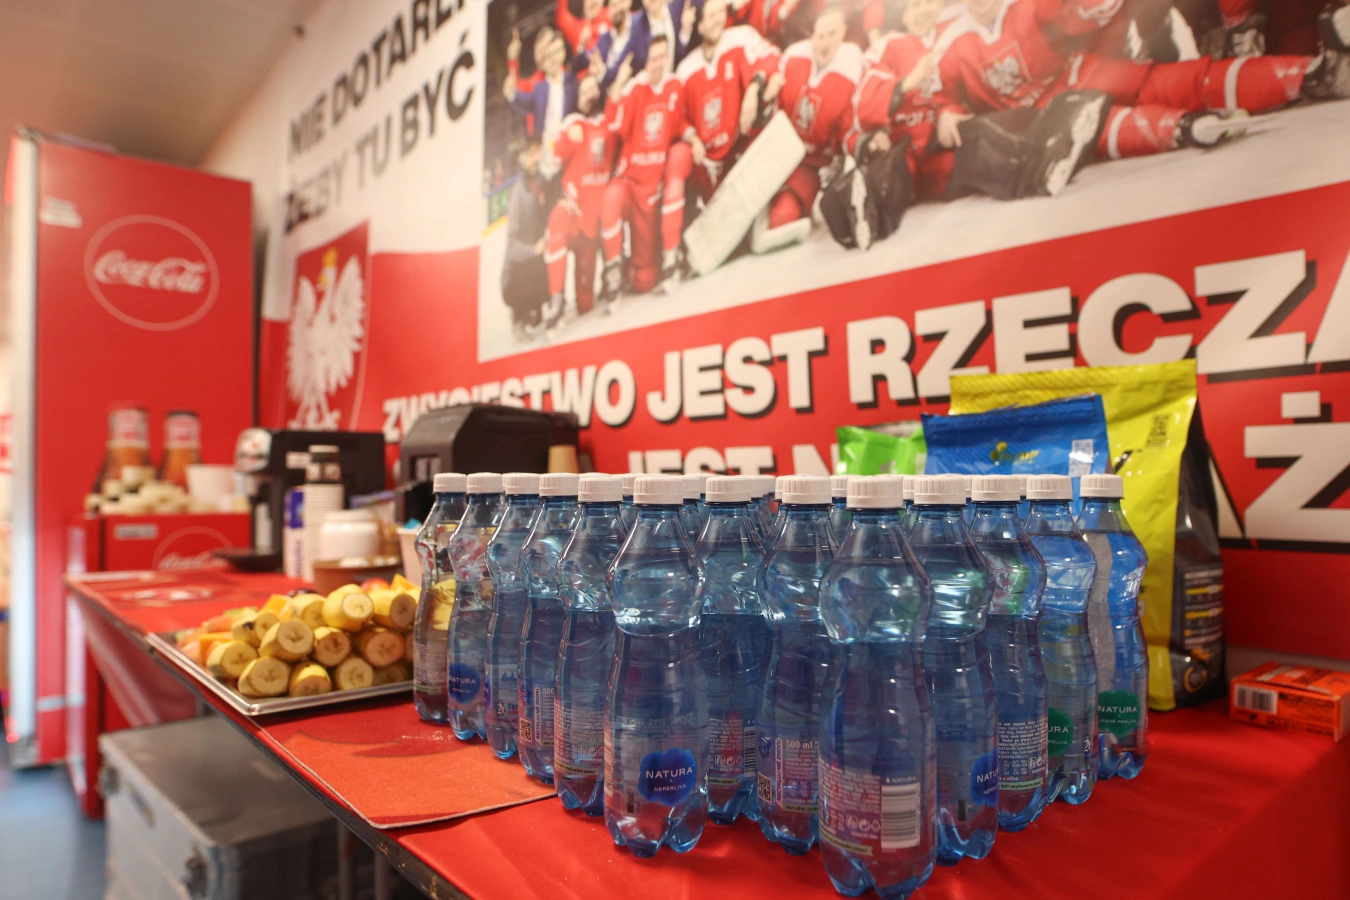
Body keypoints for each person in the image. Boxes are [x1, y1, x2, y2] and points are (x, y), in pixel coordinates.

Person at [935, 0, 1350, 162]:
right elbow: (937, 92)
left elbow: (1079, 14)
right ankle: (1186, 128)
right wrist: (946, 111)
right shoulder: (947, 38)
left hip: (1086, 73)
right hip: (1051, 116)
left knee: (1174, 81)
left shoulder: (1025, 6)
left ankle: (1311, 75)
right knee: (1104, 126)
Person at [751, 3, 861, 254]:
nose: (824, 42)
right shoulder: (794, 57)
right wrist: (766, 95)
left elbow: (852, 125)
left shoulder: (853, 64)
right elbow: (771, 104)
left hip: (823, 164)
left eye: (832, 34)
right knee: (775, 215)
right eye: (820, 36)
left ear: (843, 32)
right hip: (791, 160)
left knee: (801, 215)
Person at [599, 35, 690, 298]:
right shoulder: (634, 89)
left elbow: (679, 124)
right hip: (633, 182)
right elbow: (615, 124)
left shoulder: (675, 85)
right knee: (611, 197)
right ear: (646, 62)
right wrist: (618, 83)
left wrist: (693, 137)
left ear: (668, 57)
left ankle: (670, 256)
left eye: (662, 56)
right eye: (653, 58)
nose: (657, 63)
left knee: (646, 279)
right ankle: (614, 269)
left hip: (657, 186)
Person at [673, 0, 782, 211]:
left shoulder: (740, 37)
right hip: (707, 165)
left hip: (739, 152)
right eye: (711, 16)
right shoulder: (686, 69)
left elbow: (772, 55)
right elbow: (678, 117)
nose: (717, 20)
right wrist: (692, 138)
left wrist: (754, 87)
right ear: (700, 26)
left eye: (720, 13)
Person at [546, 74, 617, 318]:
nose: (589, 95)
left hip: (596, 223)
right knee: (557, 219)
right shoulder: (571, 124)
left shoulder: (608, 123)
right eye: (584, 91)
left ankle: (614, 273)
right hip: (574, 217)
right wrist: (567, 135)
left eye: (593, 89)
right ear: (576, 98)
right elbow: (552, 162)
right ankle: (556, 299)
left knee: (585, 304)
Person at [505, 27, 579, 177]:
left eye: (547, 48)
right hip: (543, 148)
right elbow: (516, 91)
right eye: (538, 51)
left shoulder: (570, 80)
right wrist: (512, 60)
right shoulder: (539, 85)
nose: (543, 55)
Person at [502, 139, 553, 339]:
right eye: (531, 154)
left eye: (538, 152)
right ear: (522, 159)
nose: (536, 158)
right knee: (528, 272)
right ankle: (519, 316)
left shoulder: (543, 181)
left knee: (544, 296)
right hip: (517, 271)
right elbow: (512, 247)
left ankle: (535, 309)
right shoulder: (518, 192)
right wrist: (533, 249)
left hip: (537, 260)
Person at [630, 0, 699, 70]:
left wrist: (685, 31)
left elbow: (680, 52)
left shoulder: (677, 8)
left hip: (675, 73)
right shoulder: (636, 24)